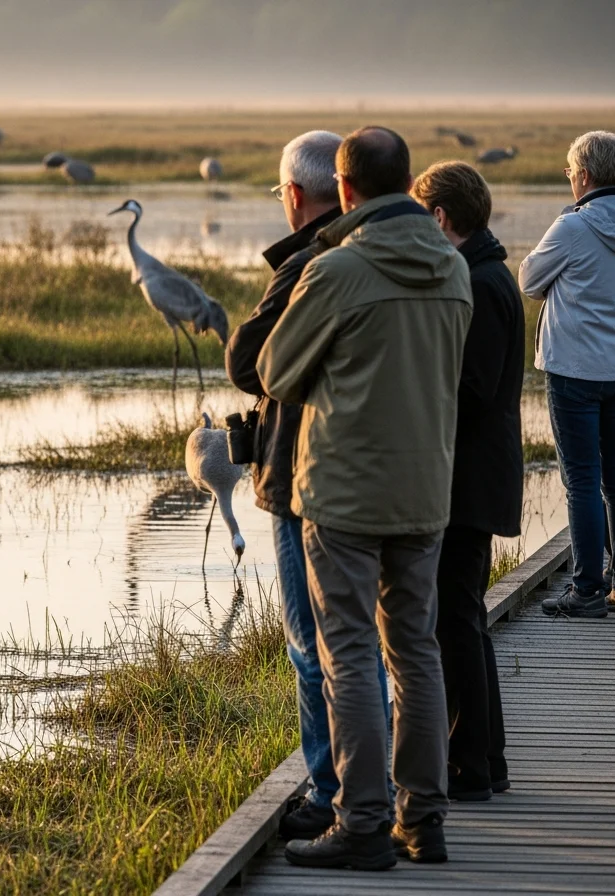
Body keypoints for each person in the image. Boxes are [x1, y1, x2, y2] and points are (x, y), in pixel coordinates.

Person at [259, 127, 472, 870]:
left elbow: (276, 370)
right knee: (416, 651)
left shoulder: (337, 270)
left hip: (343, 494)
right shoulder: (453, 264)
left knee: (349, 655)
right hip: (426, 490)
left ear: (344, 191)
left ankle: (362, 822)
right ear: (408, 183)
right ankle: (427, 820)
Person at [226, 130, 389, 841]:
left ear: (295, 195)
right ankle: (373, 788)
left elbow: (247, 360)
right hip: (378, 472)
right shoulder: (381, 251)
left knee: (316, 643)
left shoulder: (314, 262)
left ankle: (332, 794)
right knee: (375, 641)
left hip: (305, 475)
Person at [411, 161, 524, 802]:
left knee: (455, 620)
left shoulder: (480, 284)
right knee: (464, 618)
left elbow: (472, 393)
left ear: (440, 218)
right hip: (478, 473)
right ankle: (486, 760)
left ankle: (471, 767)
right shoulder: (487, 273)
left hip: (470, 478)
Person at [519, 131, 615, 618]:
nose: (570, 180)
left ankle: (587, 589)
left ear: (584, 176)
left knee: (584, 481)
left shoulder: (571, 227)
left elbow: (528, 280)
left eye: (571, 172)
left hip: (574, 373)